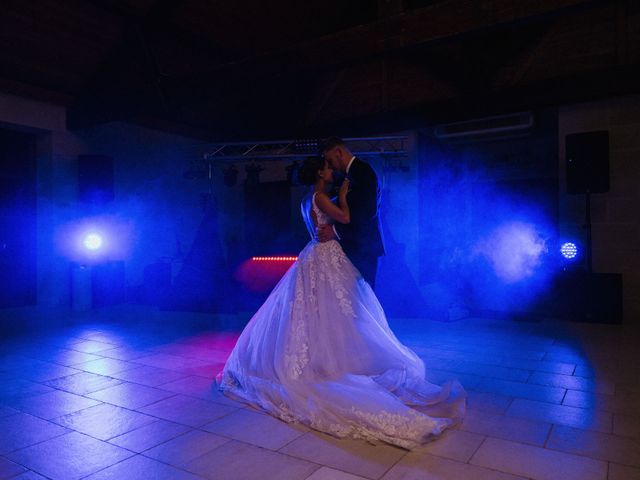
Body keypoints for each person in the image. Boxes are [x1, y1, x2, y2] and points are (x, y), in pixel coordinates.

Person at [217, 156, 465, 449]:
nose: (331, 172)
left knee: (318, 313)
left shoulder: (306, 200)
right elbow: (345, 219)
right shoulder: (321, 196)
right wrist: (345, 197)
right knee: (339, 312)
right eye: (327, 169)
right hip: (326, 255)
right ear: (319, 174)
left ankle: (326, 358)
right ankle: (333, 364)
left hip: (315, 254)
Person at [317, 137, 384, 289]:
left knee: (363, 298)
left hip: (363, 246)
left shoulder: (363, 172)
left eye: (330, 160)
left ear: (338, 152)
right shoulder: (348, 174)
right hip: (352, 245)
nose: (331, 166)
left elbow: (367, 212)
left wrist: (335, 230)